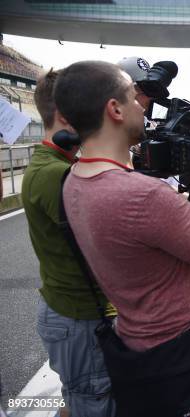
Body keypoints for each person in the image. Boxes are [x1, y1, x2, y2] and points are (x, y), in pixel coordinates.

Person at [55, 61, 190, 416]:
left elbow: (146, 223)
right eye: (134, 98)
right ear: (114, 109)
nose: (142, 106)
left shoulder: (75, 179)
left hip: (141, 351)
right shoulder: (141, 194)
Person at [21, 68, 118, 417]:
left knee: (81, 399)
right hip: (79, 320)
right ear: (65, 115)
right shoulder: (57, 174)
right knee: (93, 402)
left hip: (76, 316)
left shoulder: (59, 164)